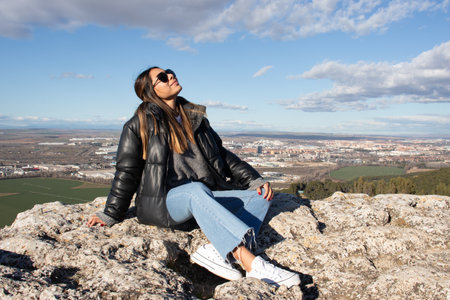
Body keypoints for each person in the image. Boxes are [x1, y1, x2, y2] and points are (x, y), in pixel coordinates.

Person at [87, 67, 300, 288]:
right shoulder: (138, 124)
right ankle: (252, 264)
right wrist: (111, 213)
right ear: (150, 91)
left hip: (205, 197)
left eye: (169, 72)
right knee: (194, 190)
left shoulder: (195, 118)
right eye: (162, 77)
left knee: (260, 197)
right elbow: (127, 172)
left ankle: (216, 250)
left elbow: (222, 155)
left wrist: (253, 180)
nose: (170, 76)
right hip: (166, 202)